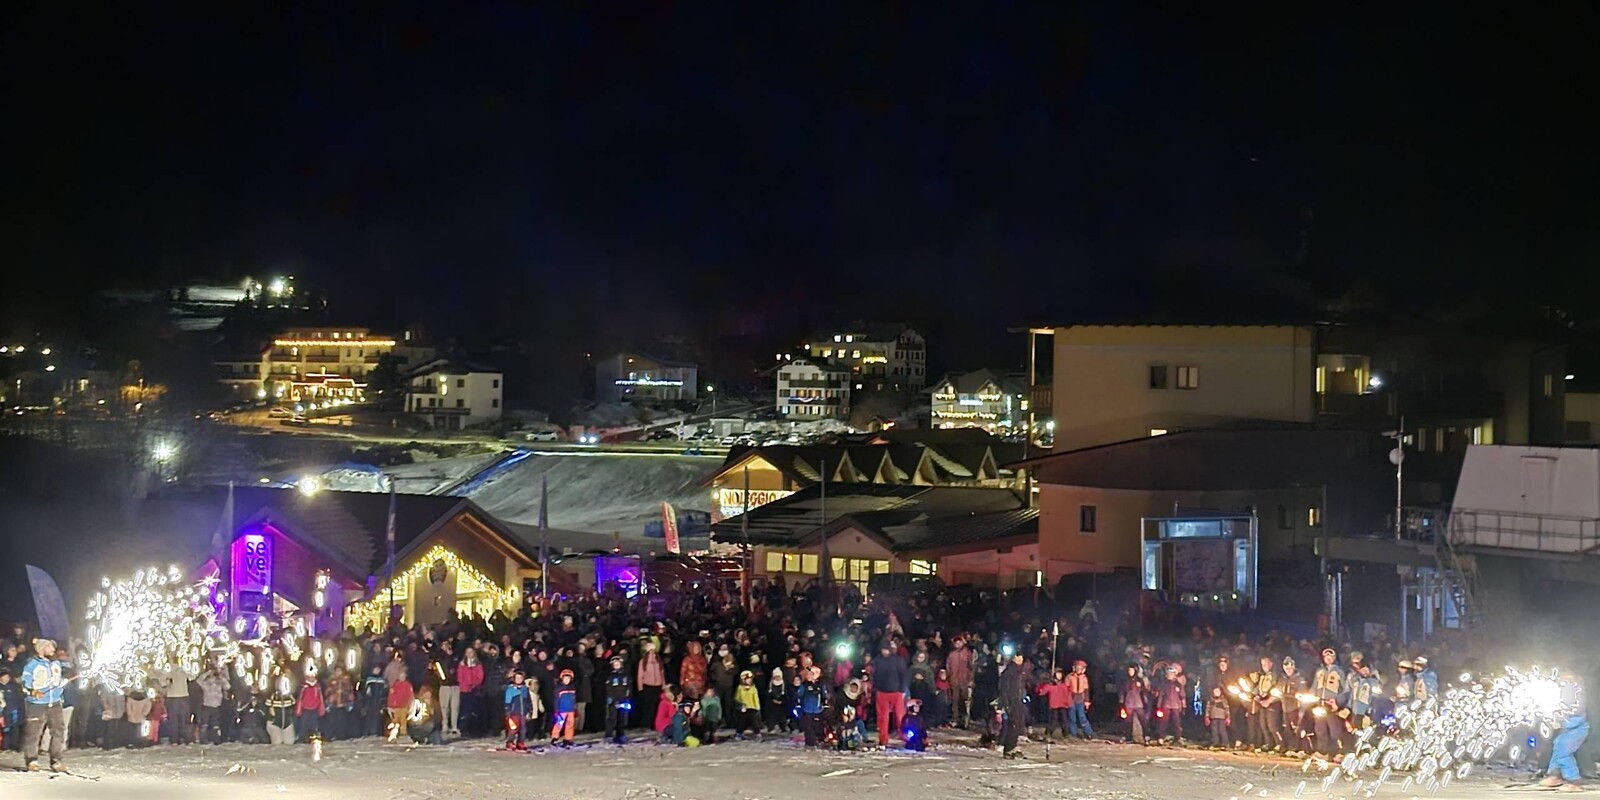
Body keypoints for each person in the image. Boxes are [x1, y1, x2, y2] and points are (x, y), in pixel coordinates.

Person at [20, 638, 67, 772]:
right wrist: (33, 691)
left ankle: (56, 760)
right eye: (50, 647)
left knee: (58, 731)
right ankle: (31, 760)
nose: (53, 649)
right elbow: (24, 682)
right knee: (33, 733)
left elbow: (59, 679)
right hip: (37, 704)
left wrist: (62, 684)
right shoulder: (32, 664)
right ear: (41, 648)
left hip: (55, 703)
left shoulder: (56, 663)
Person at [1541, 675, 1589, 791]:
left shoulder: (1577, 697)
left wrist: (1560, 720)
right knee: (1558, 747)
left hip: (1577, 729)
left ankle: (1574, 781)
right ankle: (1555, 776)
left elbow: (1575, 715)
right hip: (1568, 730)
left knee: (1563, 751)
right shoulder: (1561, 694)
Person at [873, 641, 910, 747]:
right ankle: (883, 739)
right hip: (882, 692)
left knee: (900, 716)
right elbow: (874, 675)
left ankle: (905, 735)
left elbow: (903, 675)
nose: (884, 652)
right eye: (883, 649)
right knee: (883, 717)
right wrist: (876, 688)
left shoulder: (898, 660)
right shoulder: (877, 660)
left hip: (896, 692)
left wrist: (902, 690)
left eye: (886, 649)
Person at [1311, 648, 1347, 755]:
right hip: (1320, 704)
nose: (1328, 659)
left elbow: (1345, 690)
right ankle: (1322, 751)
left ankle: (1337, 752)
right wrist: (1310, 696)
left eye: (1331, 657)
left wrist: (1338, 702)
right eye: (1326, 657)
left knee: (1334, 730)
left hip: (1332, 705)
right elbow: (1314, 686)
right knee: (1320, 729)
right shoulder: (1319, 671)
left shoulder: (1339, 672)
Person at [998, 649, 1030, 759]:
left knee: (1019, 725)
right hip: (1011, 701)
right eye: (1018, 658)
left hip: (1019, 700)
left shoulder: (1021, 671)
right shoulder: (1009, 672)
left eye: (1021, 658)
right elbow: (1004, 689)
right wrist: (1005, 703)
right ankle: (1008, 749)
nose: (1020, 660)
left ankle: (1013, 745)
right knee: (1013, 725)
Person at [1249, 655, 1283, 751]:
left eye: (1266, 664)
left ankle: (1280, 744)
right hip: (1262, 702)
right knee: (1263, 724)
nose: (1264, 666)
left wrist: (1269, 700)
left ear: (1271, 664)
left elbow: (1278, 688)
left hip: (1272, 703)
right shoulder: (1262, 676)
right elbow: (1258, 687)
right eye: (1262, 664)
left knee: (1273, 725)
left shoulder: (1275, 675)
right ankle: (1269, 743)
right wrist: (1254, 695)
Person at [947, 635, 975, 729]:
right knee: (955, 701)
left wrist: (970, 679)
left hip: (964, 681)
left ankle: (964, 721)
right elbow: (948, 667)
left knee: (965, 701)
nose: (958, 645)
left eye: (960, 642)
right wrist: (950, 678)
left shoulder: (967, 653)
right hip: (954, 681)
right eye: (956, 643)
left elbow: (971, 667)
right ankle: (955, 719)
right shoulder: (952, 655)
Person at [502, 671, 535, 751]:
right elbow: (507, 702)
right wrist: (507, 711)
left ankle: (520, 742)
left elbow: (528, 701)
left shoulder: (525, 689)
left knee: (523, 729)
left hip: (523, 713)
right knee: (513, 728)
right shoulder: (510, 689)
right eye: (517, 678)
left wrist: (529, 711)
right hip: (514, 713)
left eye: (520, 678)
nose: (519, 680)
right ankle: (510, 742)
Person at [1037, 668, 1072, 741]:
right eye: (1058, 674)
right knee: (1054, 720)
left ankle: (1065, 734)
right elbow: (1042, 692)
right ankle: (1048, 733)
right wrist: (1041, 687)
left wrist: (1069, 703)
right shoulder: (1050, 684)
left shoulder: (1063, 684)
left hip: (1062, 704)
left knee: (1064, 720)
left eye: (1060, 674)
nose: (1059, 676)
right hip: (1054, 705)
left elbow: (1067, 694)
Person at [1066, 659, 1094, 740]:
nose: (1078, 669)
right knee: (1072, 717)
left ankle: (1088, 732)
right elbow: (1066, 689)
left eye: (1080, 668)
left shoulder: (1084, 678)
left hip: (1080, 699)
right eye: (1077, 668)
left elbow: (1086, 690)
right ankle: (1073, 733)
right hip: (1071, 698)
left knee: (1082, 717)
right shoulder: (1069, 677)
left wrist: (1087, 701)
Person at [550, 669, 577, 747]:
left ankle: (568, 738)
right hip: (561, 710)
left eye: (568, 678)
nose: (566, 680)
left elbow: (574, 699)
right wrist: (556, 710)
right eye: (565, 678)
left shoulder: (573, 688)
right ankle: (555, 737)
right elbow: (556, 700)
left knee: (570, 725)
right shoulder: (559, 688)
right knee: (559, 724)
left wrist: (575, 708)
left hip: (571, 710)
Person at [296, 672, 325, 742]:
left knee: (313, 724)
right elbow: (299, 698)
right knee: (303, 724)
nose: (311, 678)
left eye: (313, 676)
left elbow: (321, 698)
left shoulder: (318, 687)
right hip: (305, 709)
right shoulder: (303, 687)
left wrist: (320, 708)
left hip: (315, 708)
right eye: (309, 676)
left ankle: (312, 738)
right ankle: (302, 738)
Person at [733, 670, 761, 739]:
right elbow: (737, 698)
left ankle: (757, 733)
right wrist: (740, 705)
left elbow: (756, 698)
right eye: (748, 679)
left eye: (750, 679)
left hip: (752, 707)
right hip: (743, 708)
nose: (749, 681)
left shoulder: (753, 688)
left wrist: (757, 707)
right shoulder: (740, 688)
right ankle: (739, 733)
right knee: (741, 722)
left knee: (754, 721)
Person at [266, 681, 296, 745]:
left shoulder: (290, 696)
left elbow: (294, 706)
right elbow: (268, 708)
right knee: (277, 742)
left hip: (287, 723)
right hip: (274, 723)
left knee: (289, 742)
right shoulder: (272, 695)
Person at [386, 673, 414, 740]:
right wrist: (390, 705)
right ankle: (393, 735)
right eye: (401, 676)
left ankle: (403, 734)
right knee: (395, 721)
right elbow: (391, 696)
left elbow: (410, 696)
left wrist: (410, 705)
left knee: (403, 721)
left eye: (403, 676)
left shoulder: (407, 685)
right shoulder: (395, 685)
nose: (402, 678)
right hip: (396, 706)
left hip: (404, 706)